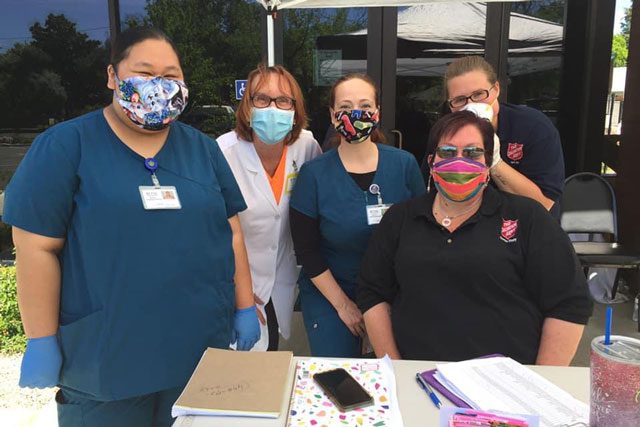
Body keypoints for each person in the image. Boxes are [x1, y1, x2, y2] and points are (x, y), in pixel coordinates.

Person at [3, 27, 260, 427]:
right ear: (112, 76)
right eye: (145, 72)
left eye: (171, 75)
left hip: (196, 348)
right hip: (107, 360)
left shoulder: (202, 149)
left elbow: (232, 231)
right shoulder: (67, 146)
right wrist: (41, 338)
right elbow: (37, 247)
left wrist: (244, 306)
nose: (160, 85)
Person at [358, 111, 593, 366]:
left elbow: (569, 303)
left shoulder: (527, 217)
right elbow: (373, 292)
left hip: (506, 383)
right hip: (417, 377)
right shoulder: (400, 218)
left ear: (489, 163)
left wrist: (543, 382)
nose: (459, 162)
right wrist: (394, 367)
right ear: (431, 162)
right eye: (447, 152)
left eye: (472, 153)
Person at [289, 74, 426, 358]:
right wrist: (344, 306)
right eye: (346, 106)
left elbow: (421, 234)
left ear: (377, 112)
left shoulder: (404, 165)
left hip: (394, 290)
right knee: (339, 380)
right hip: (332, 292)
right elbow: (307, 250)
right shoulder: (314, 175)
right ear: (332, 114)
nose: (356, 113)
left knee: (396, 375)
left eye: (364, 105)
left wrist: (385, 306)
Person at [217, 64, 321, 351]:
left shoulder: (307, 146)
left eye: (283, 100)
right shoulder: (224, 154)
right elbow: (210, 235)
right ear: (247, 107)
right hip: (239, 286)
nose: (272, 108)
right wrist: (241, 299)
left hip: (285, 278)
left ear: (295, 108)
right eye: (261, 98)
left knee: (273, 354)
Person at [438, 56, 565, 218]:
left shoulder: (533, 126)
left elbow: (544, 204)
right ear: (450, 105)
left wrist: (496, 162)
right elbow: (434, 192)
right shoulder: (446, 134)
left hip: (524, 227)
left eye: (479, 94)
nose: (471, 105)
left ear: (496, 89)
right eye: (460, 100)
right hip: (471, 228)